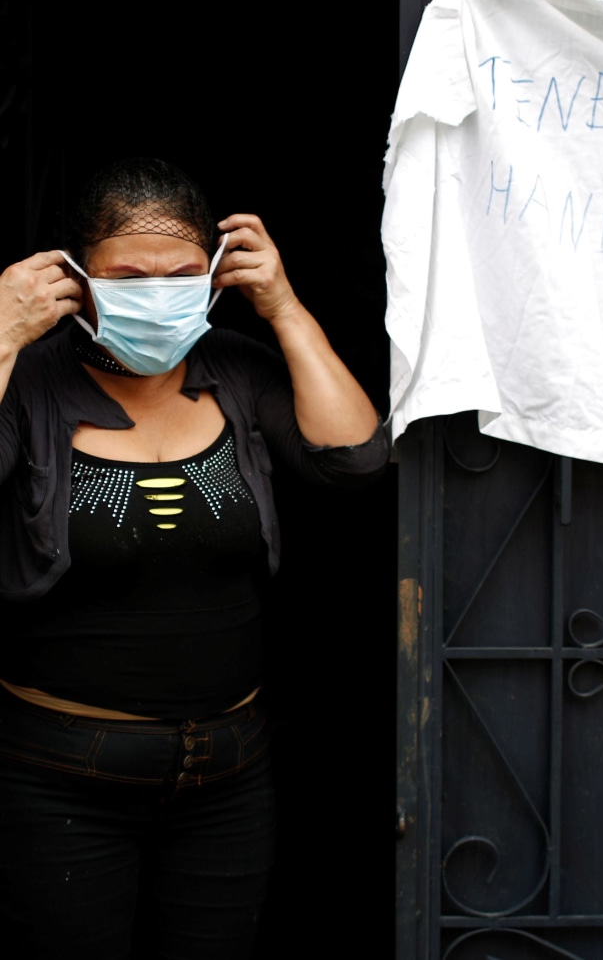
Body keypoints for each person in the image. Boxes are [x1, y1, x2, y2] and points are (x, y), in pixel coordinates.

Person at [0, 158, 387, 960]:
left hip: (230, 775)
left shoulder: (237, 372)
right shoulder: (30, 382)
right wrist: (3, 331)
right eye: (127, 275)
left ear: (214, 277)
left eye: (179, 274)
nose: (154, 291)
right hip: (58, 777)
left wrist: (281, 306)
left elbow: (355, 458)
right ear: (74, 279)